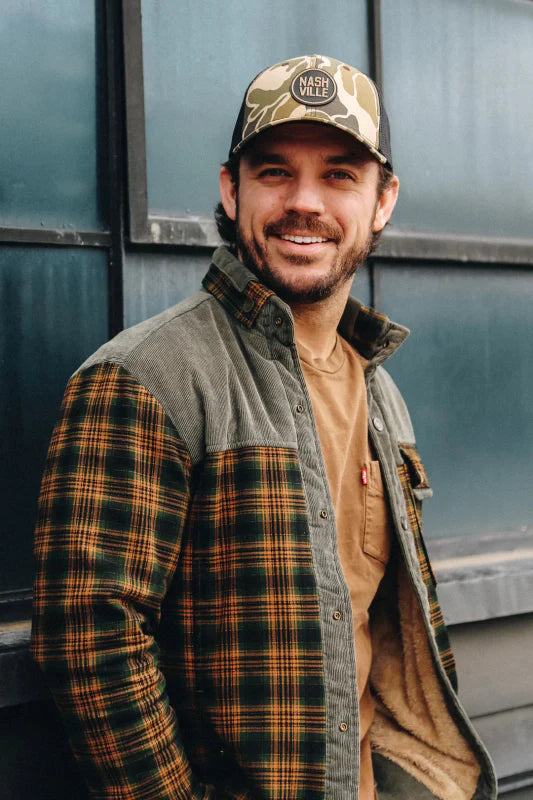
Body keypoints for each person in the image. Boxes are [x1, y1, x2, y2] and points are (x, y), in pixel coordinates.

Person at [31, 55, 496, 800]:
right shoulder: (145, 378)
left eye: (339, 174)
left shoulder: (380, 391)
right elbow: (91, 641)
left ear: (383, 201)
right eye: (274, 171)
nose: (303, 202)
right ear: (230, 188)